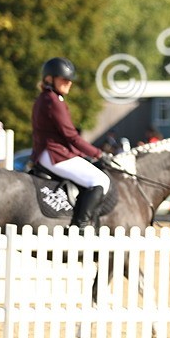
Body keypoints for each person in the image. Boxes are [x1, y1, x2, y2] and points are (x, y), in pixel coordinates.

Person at [31, 57, 110, 228]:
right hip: (54, 155)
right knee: (101, 180)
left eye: (70, 80)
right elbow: (71, 136)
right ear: (49, 79)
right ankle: (80, 226)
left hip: (48, 153)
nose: (69, 83)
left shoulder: (45, 98)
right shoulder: (53, 101)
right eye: (64, 79)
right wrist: (98, 154)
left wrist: (82, 155)